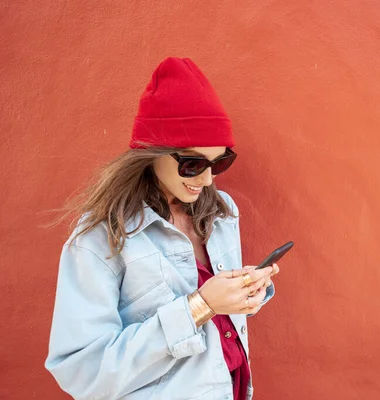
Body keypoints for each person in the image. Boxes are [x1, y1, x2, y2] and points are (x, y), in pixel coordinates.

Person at [45, 57, 279, 400]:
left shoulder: (222, 212)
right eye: (192, 163)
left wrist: (245, 291)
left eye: (220, 161)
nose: (207, 178)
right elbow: (82, 371)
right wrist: (199, 306)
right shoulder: (102, 236)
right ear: (151, 153)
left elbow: (220, 314)